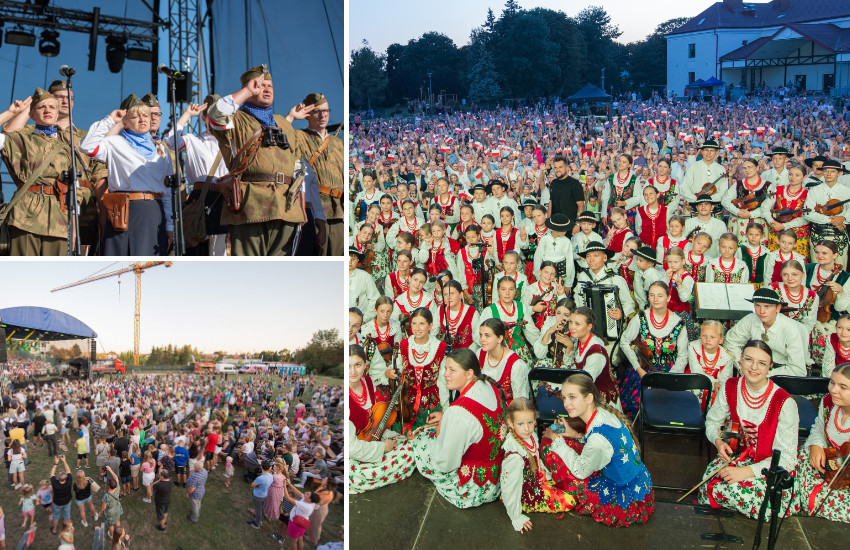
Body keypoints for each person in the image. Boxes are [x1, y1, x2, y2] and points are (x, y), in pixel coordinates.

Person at [206, 65, 307, 255]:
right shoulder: (237, 120)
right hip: (251, 207)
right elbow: (215, 116)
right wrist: (246, 91)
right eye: (260, 86)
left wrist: (301, 207)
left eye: (270, 86)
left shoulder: (283, 123)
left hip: (286, 209)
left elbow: (296, 166)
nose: (267, 89)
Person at [698, 340, 799, 519]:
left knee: (736, 492)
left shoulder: (784, 402)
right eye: (749, 359)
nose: (754, 367)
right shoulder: (730, 386)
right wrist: (719, 442)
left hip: (769, 467)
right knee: (709, 486)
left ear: (770, 367)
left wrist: (744, 472)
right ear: (740, 360)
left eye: (762, 363)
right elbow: (712, 422)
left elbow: (788, 458)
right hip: (737, 456)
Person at [542, 373, 655, 527]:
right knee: (564, 440)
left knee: (549, 447)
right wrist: (575, 434)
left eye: (572, 397)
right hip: (638, 486)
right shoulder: (602, 413)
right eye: (564, 397)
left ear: (589, 398)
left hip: (622, 500)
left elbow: (580, 470)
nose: (566, 403)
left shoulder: (597, 439)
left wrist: (556, 440)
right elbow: (600, 443)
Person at [80, 95, 174, 255]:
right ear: (125, 122)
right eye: (135, 116)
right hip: (122, 211)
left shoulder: (162, 151)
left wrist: (169, 225)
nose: (142, 119)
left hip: (152, 211)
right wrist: (111, 120)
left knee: (149, 260)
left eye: (146, 115)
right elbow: (87, 146)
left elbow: (167, 192)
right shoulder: (114, 143)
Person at [413, 348, 506, 508]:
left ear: (469, 374)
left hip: (474, 487)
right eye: (445, 368)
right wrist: (446, 419)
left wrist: (441, 430)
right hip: (497, 476)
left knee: (420, 439)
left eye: (452, 370)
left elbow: (446, 464)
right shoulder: (490, 385)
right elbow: (476, 424)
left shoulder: (458, 412)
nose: (445, 374)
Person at [0, 91, 82, 255]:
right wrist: (10, 113)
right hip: (25, 217)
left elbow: (75, 190)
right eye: (41, 107)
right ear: (31, 114)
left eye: (52, 107)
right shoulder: (20, 140)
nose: (47, 110)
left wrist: (74, 228)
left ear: (57, 114)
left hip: (59, 220)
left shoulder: (68, 149)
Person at [162, 98, 229, 255]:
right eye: (212, 115)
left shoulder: (231, 143)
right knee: (198, 248)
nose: (216, 118)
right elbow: (171, 140)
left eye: (219, 114)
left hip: (226, 200)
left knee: (222, 252)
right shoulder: (194, 141)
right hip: (201, 200)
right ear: (204, 118)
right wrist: (187, 115)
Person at [500, 397, 574, 533]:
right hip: (524, 494)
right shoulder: (515, 455)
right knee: (570, 501)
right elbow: (509, 487)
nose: (527, 428)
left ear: (535, 419)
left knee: (568, 486)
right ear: (511, 423)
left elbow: (536, 456)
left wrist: (542, 469)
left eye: (530, 422)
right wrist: (516, 517)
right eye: (520, 424)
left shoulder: (531, 435)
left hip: (536, 481)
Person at [348, 345, 416, 493]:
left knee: (412, 445)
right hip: (354, 452)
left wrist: (393, 437)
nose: (352, 371)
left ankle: (383, 470)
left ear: (365, 364)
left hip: (372, 439)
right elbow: (351, 448)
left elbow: (373, 423)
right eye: (348, 366)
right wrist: (383, 447)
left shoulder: (368, 382)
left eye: (357, 365)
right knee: (354, 473)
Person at [791, 363, 850, 522]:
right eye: (832, 382)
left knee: (819, 502)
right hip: (829, 463)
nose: (833, 390)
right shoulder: (828, 402)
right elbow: (819, 428)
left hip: (845, 478)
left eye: (843, 387)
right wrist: (816, 445)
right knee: (795, 465)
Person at [620, 282, 688, 414]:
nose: (655, 299)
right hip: (643, 369)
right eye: (652, 295)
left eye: (660, 296)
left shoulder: (679, 323)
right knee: (636, 405)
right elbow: (624, 342)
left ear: (668, 298)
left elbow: (682, 355)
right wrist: (638, 369)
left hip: (668, 372)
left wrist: (670, 378)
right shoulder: (640, 318)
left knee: (667, 409)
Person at [289, 92, 342, 256]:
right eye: (317, 111)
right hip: (312, 211)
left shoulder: (338, 143)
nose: (323, 115)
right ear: (307, 114)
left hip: (339, 212)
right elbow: (278, 137)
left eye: (326, 110)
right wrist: (291, 117)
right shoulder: (298, 137)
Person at [724, 287, 809, 376]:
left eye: (767, 307)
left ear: (778, 308)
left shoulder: (792, 330)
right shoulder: (750, 319)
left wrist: (763, 375)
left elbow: (798, 370)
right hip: (754, 368)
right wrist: (743, 366)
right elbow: (731, 342)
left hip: (782, 372)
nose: (762, 311)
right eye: (758, 306)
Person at [806, 240, 850, 366]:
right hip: (807, 314)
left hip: (828, 319)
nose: (820, 256)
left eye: (824, 253)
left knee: (825, 336)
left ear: (835, 255)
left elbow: (840, 308)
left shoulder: (845, 277)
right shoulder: (809, 269)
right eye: (817, 252)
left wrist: (840, 292)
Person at [479, 277, 540, 365]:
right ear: (498, 290)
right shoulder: (489, 311)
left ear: (515, 291)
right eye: (503, 289)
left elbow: (531, 332)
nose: (507, 293)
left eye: (511, 289)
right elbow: (480, 336)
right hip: (498, 353)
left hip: (520, 352)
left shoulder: (521, 307)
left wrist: (541, 346)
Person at [804, 159, 850, 265]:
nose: (828, 174)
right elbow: (807, 213)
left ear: (839, 173)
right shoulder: (814, 190)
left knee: (839, 267)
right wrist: (830, 220)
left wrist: (843, 218)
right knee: (818, 267)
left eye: (832, 171)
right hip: (818, 234)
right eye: (826, 171)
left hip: (839, 235)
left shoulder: (847, 191)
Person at [476, 318, 531, 404]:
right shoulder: (480, 353)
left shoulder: (516, 365)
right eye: (481, 335)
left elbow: (520, 404)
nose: (482, 339)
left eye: (487, 336)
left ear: (500, 338)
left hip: (507, 410)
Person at [686, 320, 735, 411]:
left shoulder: (726, 357)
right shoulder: (693, 347)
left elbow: (724, 380)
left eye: (712, 337)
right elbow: (696, 370)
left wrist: (717, 386)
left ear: (721, 340)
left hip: (714, 389)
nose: (708, 340)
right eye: (704, 336)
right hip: (694, 382)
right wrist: (713, 383)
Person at [770, 260, 818, 336]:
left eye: (794, 274)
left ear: (803, 274)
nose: (790, 278)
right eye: (785, 274)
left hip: (799, 334)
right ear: (781, 275)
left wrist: (795, 337)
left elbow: (809, 323)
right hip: (774, 332)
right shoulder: (772, 289)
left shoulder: (812, 296)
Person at [680, 139, 728, 210]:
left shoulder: (721, 169)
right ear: (702, 151)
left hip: (715, 207)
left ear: (716, 152)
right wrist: (696, 199)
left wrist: (710, 200)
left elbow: (723, 190)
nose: (708, 153)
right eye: (706, 150)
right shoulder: (693, 167)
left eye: (712, 151)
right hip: (696, 205)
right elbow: (684, 188)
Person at [546, 156, 584, 234]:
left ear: (567, 168)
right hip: (554, 225)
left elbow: (580, 205)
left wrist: (577, 225)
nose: (557, 170)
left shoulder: (575, 183)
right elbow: (551, 202)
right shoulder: (553, 183)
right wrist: (548, 220)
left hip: (570, 226)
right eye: (555, 167)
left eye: (560, 167)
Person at [282, 477, 320, 550]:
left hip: (295, 523)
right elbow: (297, 491)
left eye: (307, 494)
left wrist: (284, 486)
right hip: (303, 523)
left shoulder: (304, 505)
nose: (305, 493)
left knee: (293, 541)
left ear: (310, 499)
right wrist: (289, 484)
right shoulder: (308, 501)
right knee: (300, 538)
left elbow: (288, 498)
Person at [49, 455, 72, 535]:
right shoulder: (69, 481)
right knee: (67, 516)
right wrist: (64, 461)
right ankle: (67, 530)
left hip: (57, 503)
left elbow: (51, 474)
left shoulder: (55, 483)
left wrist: (56, 463)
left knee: (56, 516)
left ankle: (55, 529)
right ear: (66, 478)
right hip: (67, 502)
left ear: (58, 478)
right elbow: (68, 470)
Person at [248, 459, 273, 529]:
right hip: (264, 494)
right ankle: (259, 519)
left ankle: (257, 524)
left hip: (258, 496)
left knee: (258, 510)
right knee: (261, 508)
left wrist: (257, 486)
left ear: (261, 467)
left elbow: (252, 484)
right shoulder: (270, 476)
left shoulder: (260, 478)